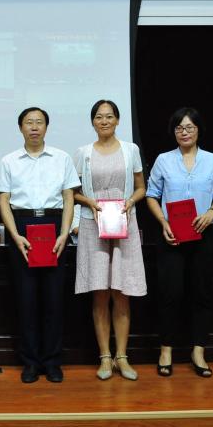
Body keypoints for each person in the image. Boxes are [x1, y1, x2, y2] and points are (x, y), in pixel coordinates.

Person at [0, 107, 80, 384]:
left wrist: (64, 233)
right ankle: (30, 362)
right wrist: (14, 234)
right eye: (29, 123)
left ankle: (53, 361)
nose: (34, 127)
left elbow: (69, 197)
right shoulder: (9, 161)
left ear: (46, 127)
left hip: (54, 226)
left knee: (54, 299)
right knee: (26, 298)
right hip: (22, 228)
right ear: (21, 127)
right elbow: (3, 199)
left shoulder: (61, 158)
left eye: (39, 122)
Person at [146, 107, 213, 379]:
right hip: (172, 235)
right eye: (179, 128)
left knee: (201, 293)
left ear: (198, 130)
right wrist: (163, 222)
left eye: (189, 127)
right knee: (170, 293)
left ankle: (198, 351)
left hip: (203, 235)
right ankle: (165, 350)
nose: (184, 132)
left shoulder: (212, 160)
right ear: (174, 132)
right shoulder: (163, 160)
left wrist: (211, 213)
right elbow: (152, 195)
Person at [71, 100, 147, 382]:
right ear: (93, 122)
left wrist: (130, 202)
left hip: (124, 223)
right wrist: (88, 201)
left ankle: (122, 356)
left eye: (109, 116)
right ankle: (105, 356)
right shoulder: (83, 153)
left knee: (121, 292)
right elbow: (72, 192)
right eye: (99, 117)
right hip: (93, 225)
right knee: (100, 292)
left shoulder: (130, 150)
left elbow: (141, 187)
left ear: (117, 120)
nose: (104, 121)